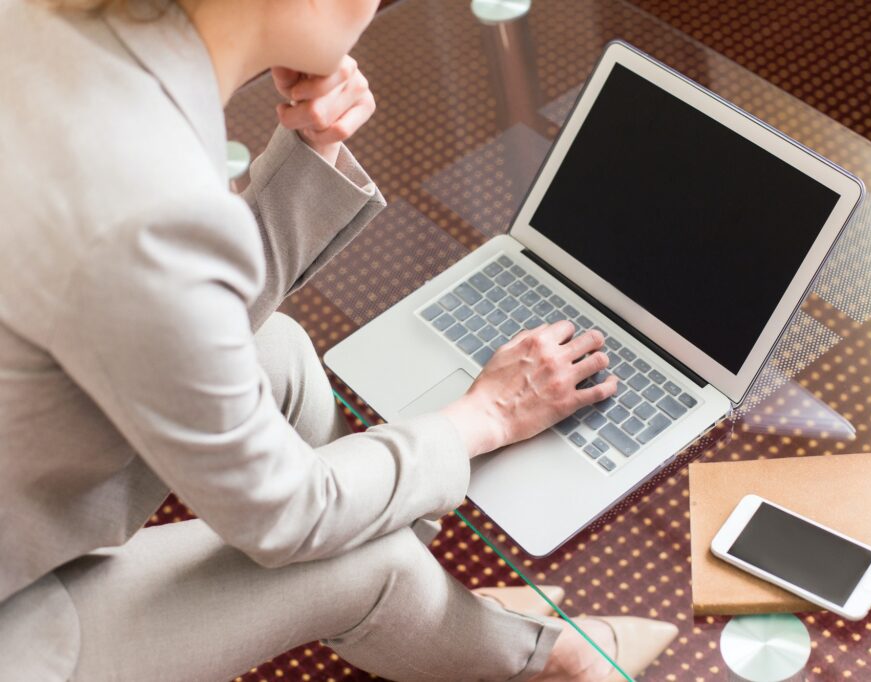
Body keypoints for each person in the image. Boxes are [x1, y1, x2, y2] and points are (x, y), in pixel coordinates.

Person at [0, 0, 679, 679]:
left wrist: (311, 151)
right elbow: (286, 516)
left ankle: (426, 601)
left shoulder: (51, 39)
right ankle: (542, 661)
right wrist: (488, 415)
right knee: (362, 559)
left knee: (284, 355)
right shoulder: (146, 196)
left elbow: (167, 299)